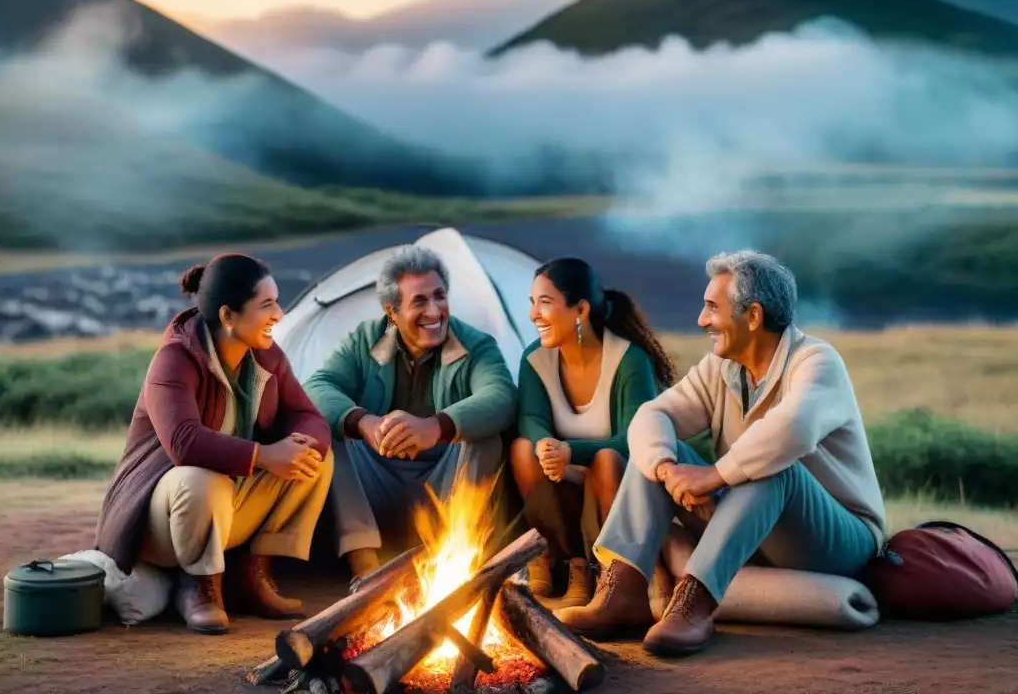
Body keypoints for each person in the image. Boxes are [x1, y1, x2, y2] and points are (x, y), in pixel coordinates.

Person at [556, 250, 887, 657]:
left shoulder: (817, 361)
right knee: (659, 447)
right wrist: (664, 466)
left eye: (712, 307)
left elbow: (793, 429)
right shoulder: (720, 368)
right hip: (752, 522)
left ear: (753, 316)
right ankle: (622, 591)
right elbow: (653, 414)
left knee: (774, 468)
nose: (701, 320)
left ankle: (693, 605)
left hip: (837, 540)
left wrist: (713, 476)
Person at [94, 254, 334, 635]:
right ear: (228, 316)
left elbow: (310, 418)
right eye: (267, 304)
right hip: (161, 522)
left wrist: (300, 443)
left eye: (277, 302)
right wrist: (265, 455)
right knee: (200, 478)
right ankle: (200, 585)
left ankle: (253, 574)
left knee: (315, 458)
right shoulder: (174, 359)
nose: (280, 314)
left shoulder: (267, 355)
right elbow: (184, 443)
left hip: (225, 507)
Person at [303, 245, 517, 578]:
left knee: (484, 438)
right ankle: (364, 566)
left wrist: (436, 426)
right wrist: (365, 423)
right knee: (328, 431)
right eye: (419, 301)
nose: (434, 311)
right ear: (392, 312)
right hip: (377, 481)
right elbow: (317, 386)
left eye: (440, 296)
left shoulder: (476, 344)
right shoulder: (364, 340)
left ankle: (455, 560)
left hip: (442, 482)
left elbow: (501, 396)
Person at [513, 258, 676, 608]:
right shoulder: (535, 359)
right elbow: (529, 415)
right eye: (532, 304)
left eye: (545, 303)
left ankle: (617, 569)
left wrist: (571, 450)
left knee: (605, 459)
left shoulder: (629, 360)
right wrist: (545, 445)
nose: (533, 315)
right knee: (522, 450)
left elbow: (634, 440)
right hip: (565, 484)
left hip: (620, 485)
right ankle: (568, 562)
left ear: (580, 310)